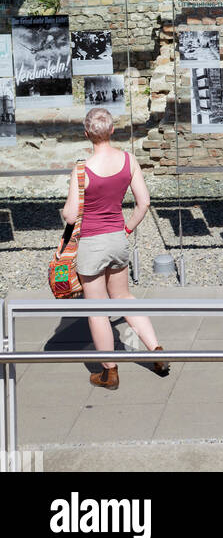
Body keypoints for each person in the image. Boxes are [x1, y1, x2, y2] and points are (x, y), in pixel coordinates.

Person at [61, 108, 169, 390]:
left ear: (87, 135)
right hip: (118, 239)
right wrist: (128, 228)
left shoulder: (81, 169)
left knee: (97, 309)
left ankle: (110, 372)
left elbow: (71, 216)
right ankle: (157, 350)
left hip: (92, 243)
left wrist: (65, 210)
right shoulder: (128, 160)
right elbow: (143, 202)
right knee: (123, 297)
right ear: (112, 131)